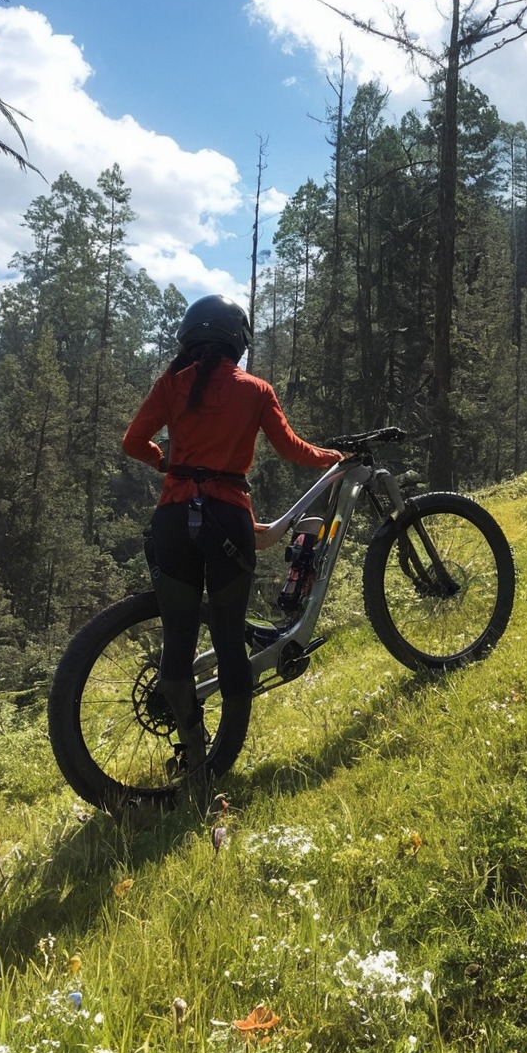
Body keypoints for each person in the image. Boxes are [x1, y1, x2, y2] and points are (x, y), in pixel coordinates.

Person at [122, 294, 343, 808]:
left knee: (176, 639)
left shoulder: (172, 385)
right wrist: (335, 457)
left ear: (190, 338)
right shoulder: (254, 390)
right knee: (227, 639)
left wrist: (168, 467)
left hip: (175, 517)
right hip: (227, 519)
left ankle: (193, 751)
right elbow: (292, 448)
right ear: (237, 342)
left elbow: (135, 441)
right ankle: (216, 764)